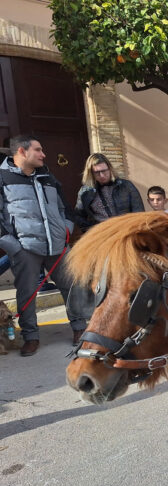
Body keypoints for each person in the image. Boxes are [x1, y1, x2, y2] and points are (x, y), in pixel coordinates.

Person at [0, 135, 87, 356]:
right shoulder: (2, 177)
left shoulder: (47, 176)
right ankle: (30, 336)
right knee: (27, 293)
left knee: (71, 287)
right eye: (38, 150)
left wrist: (66, 230)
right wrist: (13, 246)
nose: (43, 155)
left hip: (57, 246)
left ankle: (79, 328)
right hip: (25, 248)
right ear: (21, 151)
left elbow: (64, 207)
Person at [74, 153, 144, 232]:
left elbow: (139, 211)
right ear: (91, 173)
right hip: (102, 235)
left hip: (127, 231)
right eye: (97, 172)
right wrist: (92, 230)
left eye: (104, 171)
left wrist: (133, 229)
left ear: (110, 169)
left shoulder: (126, 186)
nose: (102, 175)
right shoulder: (85, 192)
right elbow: (78, 216)